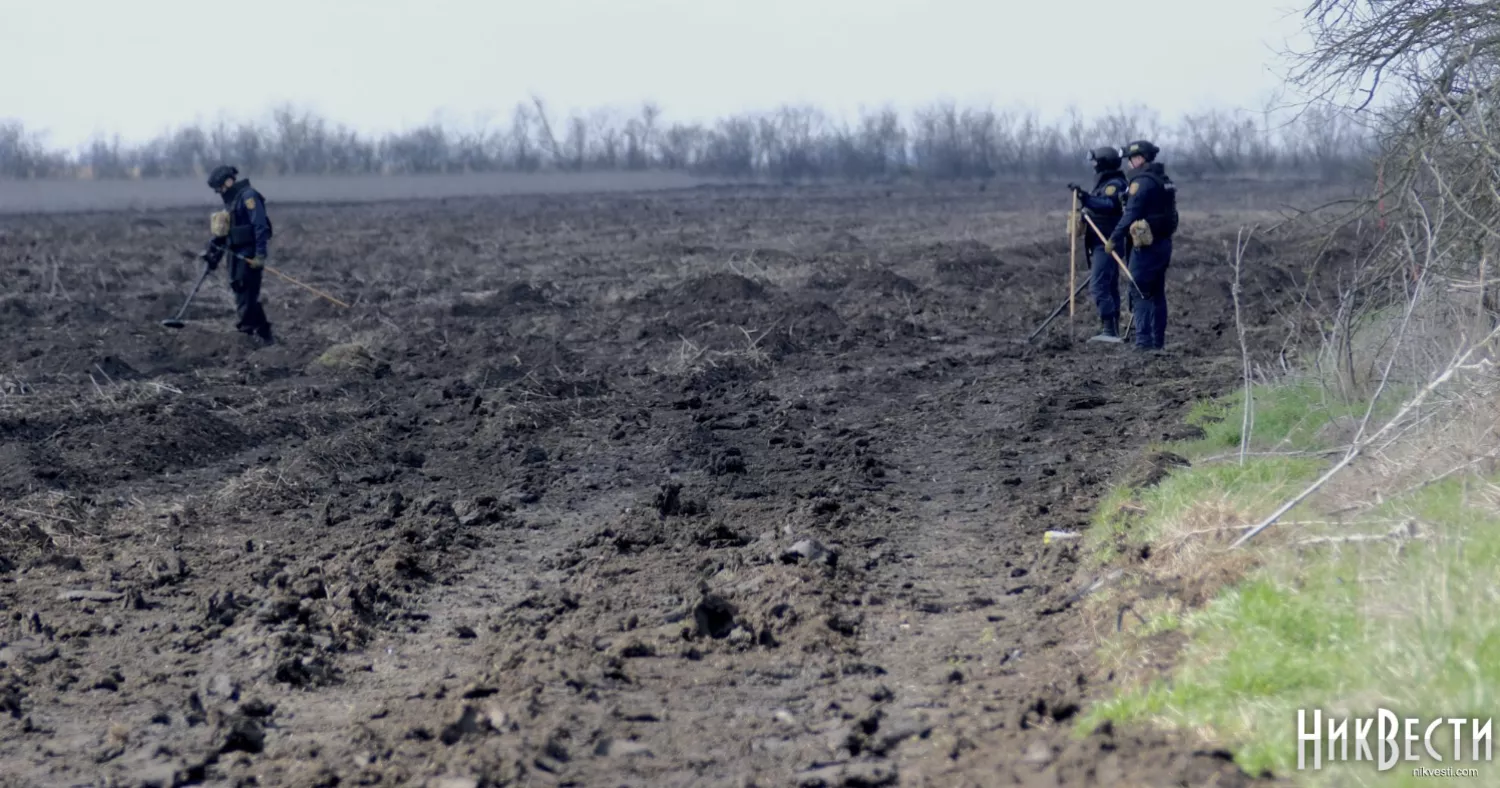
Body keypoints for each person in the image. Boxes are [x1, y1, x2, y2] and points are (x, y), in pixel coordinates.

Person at [1105, 140, 1178, 352]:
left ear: (1140, 159)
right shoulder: (1163, 179)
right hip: (1164, 243)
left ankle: (1144, 343)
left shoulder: (1141, 182)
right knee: (1157, 292)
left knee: (1140, 291)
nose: (1128, 164)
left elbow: (1131, 213)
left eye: (1131, 159)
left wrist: (1114, 238)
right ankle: (1158, 343)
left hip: (1146, 247)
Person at [201, 165, 275, 344]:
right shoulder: (232, 201)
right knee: (242, 292)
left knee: (245, 293)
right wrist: (213, 256)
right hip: (235, 255)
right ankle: (265, 334)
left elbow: (260, 227)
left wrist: (260, 255)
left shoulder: (249, 197)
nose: (219, 191)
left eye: (220, 186)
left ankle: (246, 334)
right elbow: (225, 232)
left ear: (229, 181)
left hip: (249, 255)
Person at [1068, 147, 1130, 343]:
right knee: (1109, 285)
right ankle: (1111, 328)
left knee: (1099, 285)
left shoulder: (1115, 184)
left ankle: (1109, 329)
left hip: (1108, 242)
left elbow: (1109, 204)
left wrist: (1086, 198)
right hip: (1100, 241)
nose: (1093, 166)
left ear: (1103, 163)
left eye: (1096, 162)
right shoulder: (1105, 182)